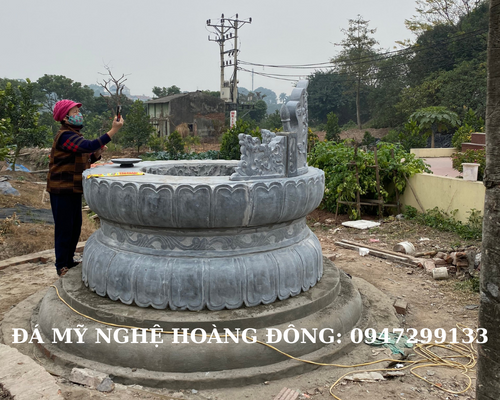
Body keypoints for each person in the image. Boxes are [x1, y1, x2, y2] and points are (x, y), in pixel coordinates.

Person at [46, 100, 124, 276]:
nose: (78, 115)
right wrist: (113, 130)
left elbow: (85, 156)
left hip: (72, 189)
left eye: (77, 111)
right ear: (65, 118)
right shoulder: (65, 136)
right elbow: (88, 146)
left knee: (74, 227)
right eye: (74, 112)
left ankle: (68, 260)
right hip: (61, 190)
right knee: (64, 228)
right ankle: (61, 265)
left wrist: (96, 153)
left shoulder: (74, 135)